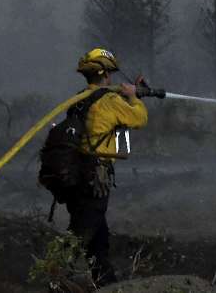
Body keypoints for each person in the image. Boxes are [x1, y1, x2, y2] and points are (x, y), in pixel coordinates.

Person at [68, 48, 148, 285]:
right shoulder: (109, 100)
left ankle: (106, 284)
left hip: (76, 173)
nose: (111, 79)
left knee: (97, 237)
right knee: (84, 233)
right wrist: (133, 96)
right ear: (104, 74)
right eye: (110, 74)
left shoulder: (81, 98)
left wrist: (128, 96)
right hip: (94, 177)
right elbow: (139, 119)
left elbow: (105, 119)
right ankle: (57, 274)